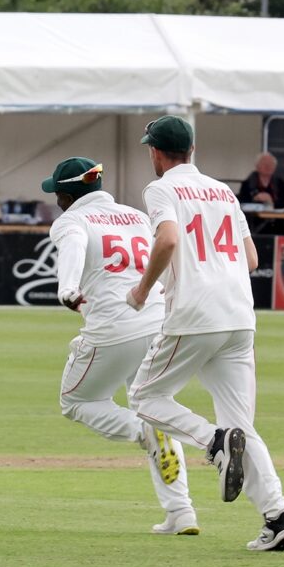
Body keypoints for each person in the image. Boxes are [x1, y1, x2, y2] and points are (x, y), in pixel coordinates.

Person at [125, 115, 284, 552]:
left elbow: (167, 240)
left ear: (156, 152)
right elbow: (251, 258)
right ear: (192, 150)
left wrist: (142, 290)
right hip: (239, 314)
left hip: (194, 313)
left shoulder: (160, 188)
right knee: (242, 425)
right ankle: (278, 516)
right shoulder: (223, 190)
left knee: (144, 397)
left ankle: (213, 441)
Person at [42, 156, 198, 536]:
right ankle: (181, 513)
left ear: (66, 196)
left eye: (57, 194)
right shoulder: (135, 215)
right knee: (156, 408)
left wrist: (67, 288)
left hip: (114, 328)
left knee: (76, 402)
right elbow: (168, 253)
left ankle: (142, 432)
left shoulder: (71, 220)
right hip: (159, 322)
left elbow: (74, 246)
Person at [237, 152, 284, 235]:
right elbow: (241, 203)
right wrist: (254, 199)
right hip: (254, 227)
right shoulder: (248, 183)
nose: (268, 166)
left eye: (271, 164)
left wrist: (271, 201)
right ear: (257, 166)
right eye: (264, 164)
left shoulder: (279, 183)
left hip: (277, 226)